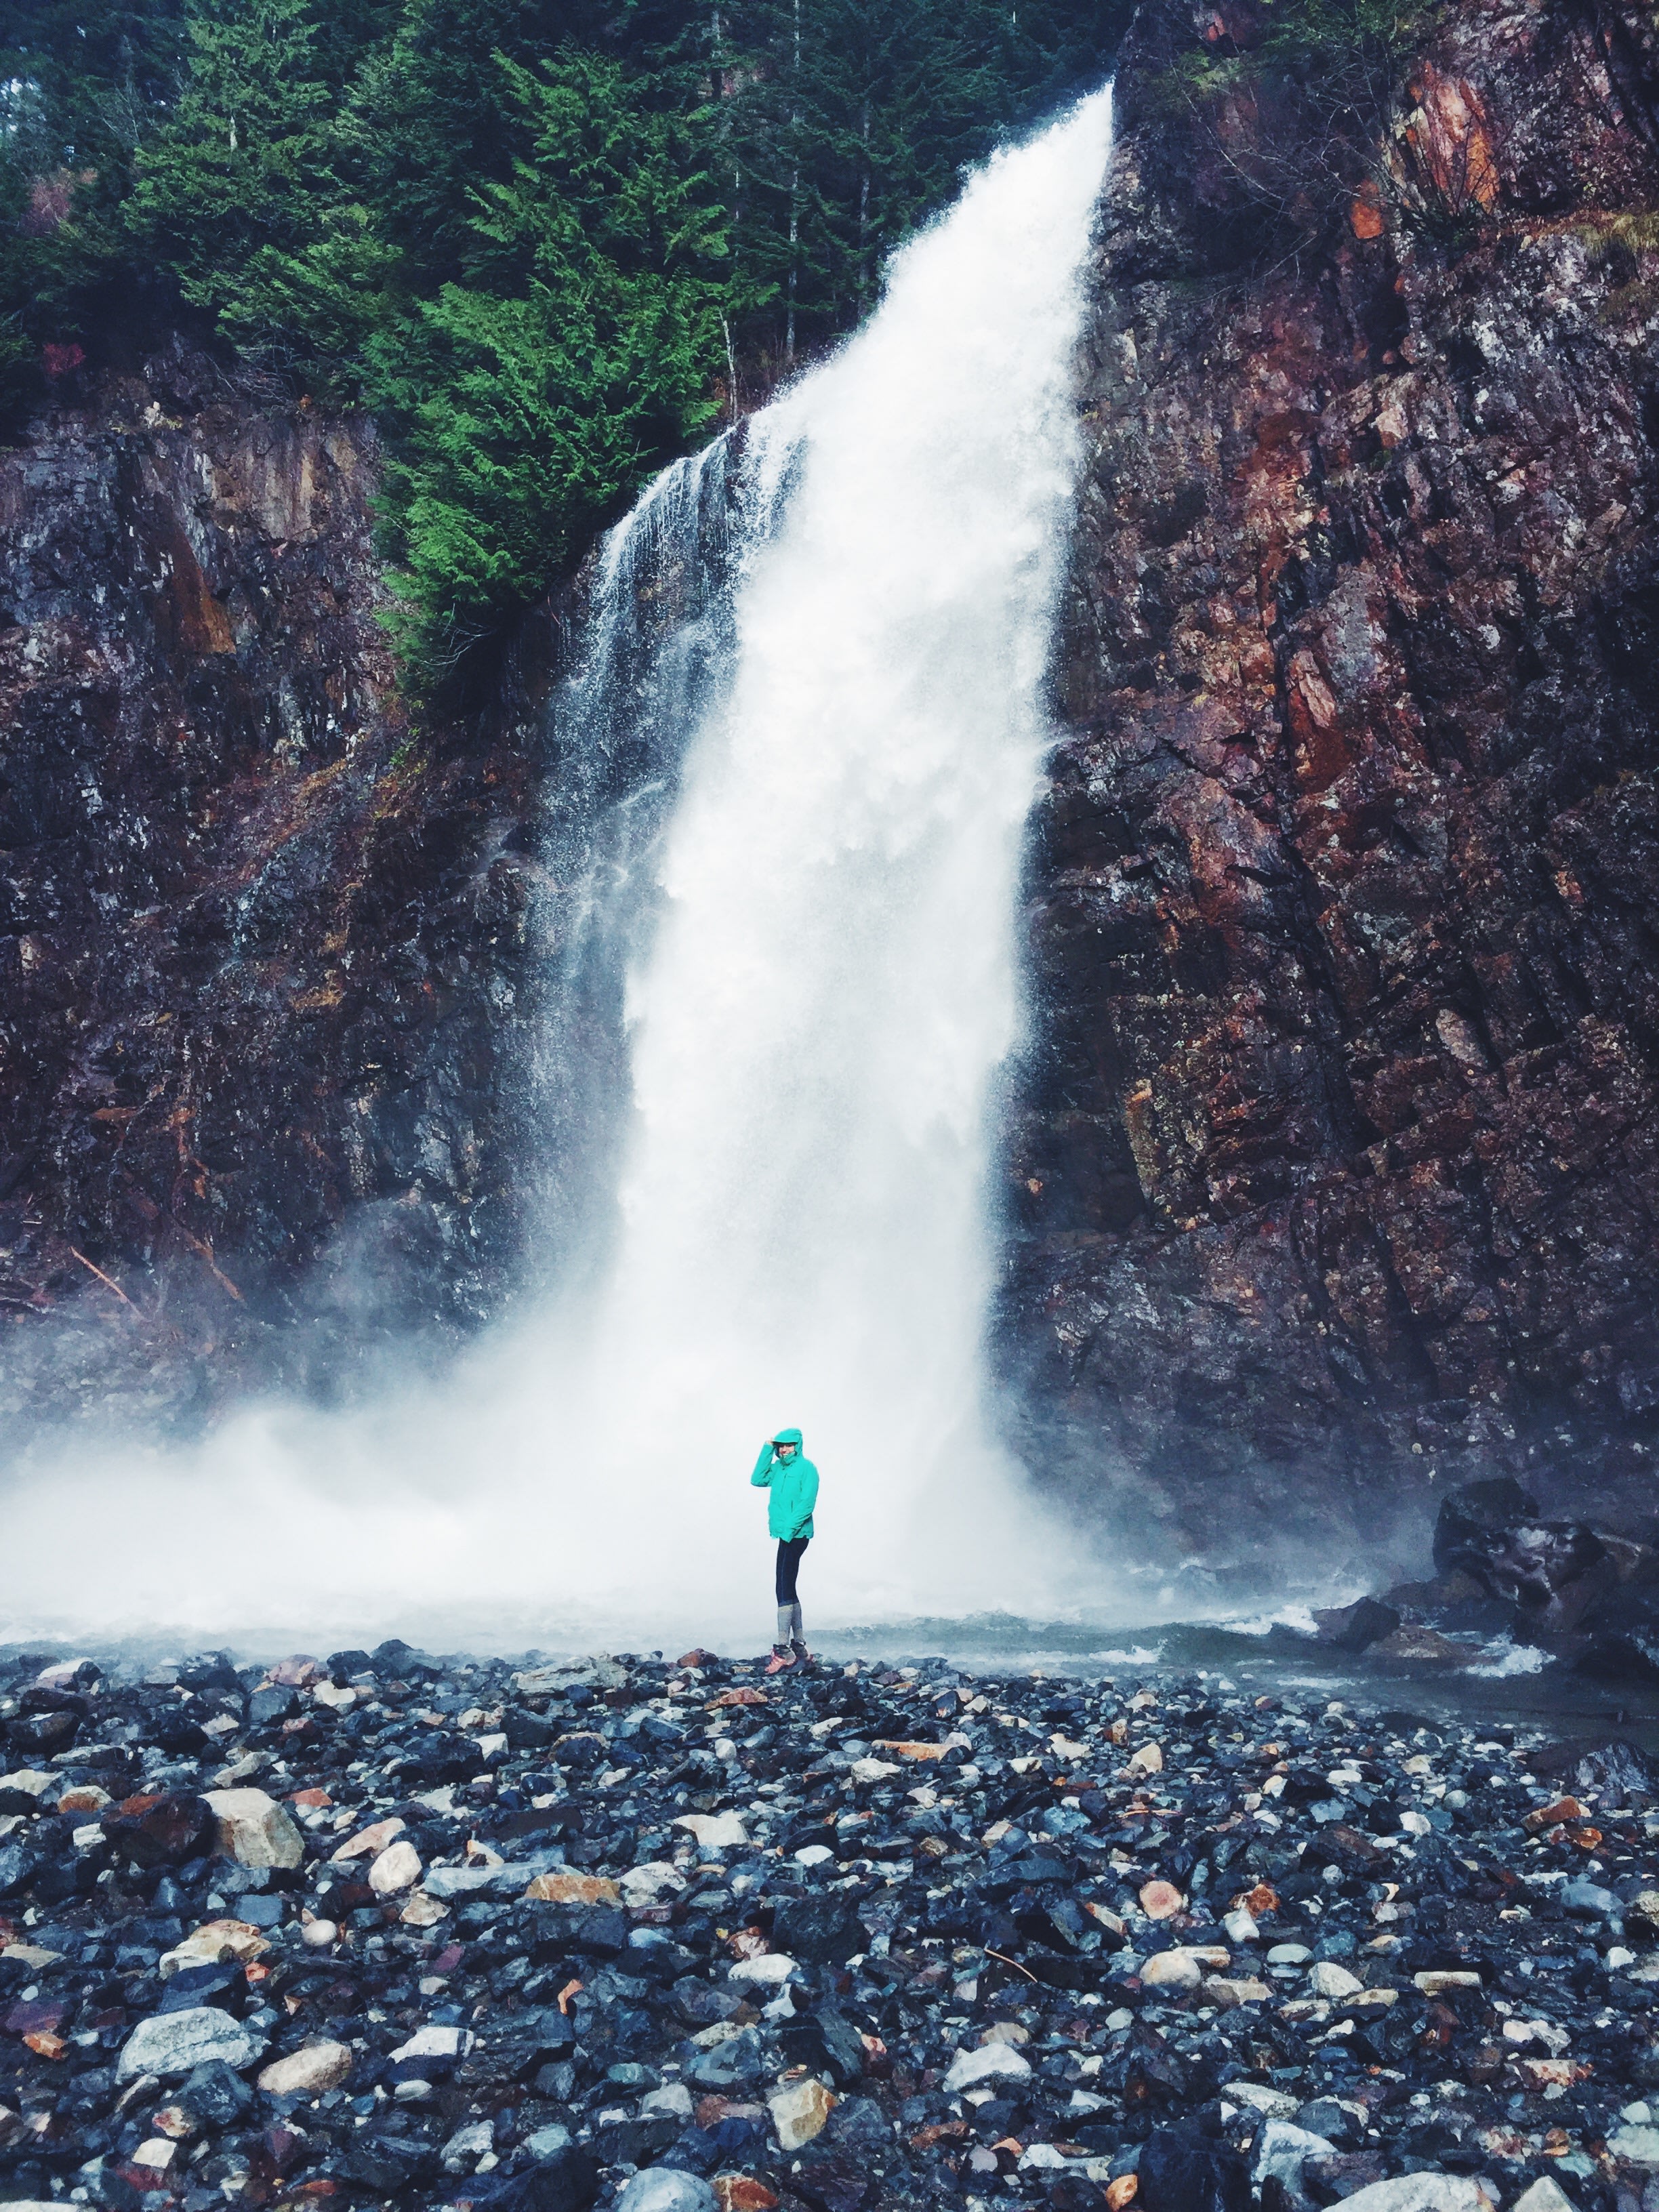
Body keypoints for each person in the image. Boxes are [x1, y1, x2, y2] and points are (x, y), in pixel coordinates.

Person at [750, 1427, 818, 1672]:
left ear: (798, 1445)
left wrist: (789, 1529)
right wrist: (767, 1447)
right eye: (781, 1446)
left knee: (784, 1586)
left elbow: (807, 1503)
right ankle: (798, 1646)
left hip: (797, 1535)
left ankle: (784, 1651)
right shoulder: (778, 1468)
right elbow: (757, 1479)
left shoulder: (807, 1468)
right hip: (784, 1535)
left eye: (789, 1445)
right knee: (785, 1584)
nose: (784, 1449)